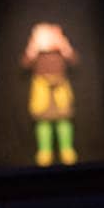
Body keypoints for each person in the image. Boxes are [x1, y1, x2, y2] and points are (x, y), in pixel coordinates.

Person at [23, 22, 79, 166]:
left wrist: (64, 46)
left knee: (64, 121)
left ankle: (67, 149)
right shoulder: (36, 52)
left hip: (60, 88)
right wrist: (33, 48)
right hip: (42, 89)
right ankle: (44, 151)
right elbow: (24, 64)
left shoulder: (61, 50)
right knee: (43, 123)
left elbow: (74, 61)